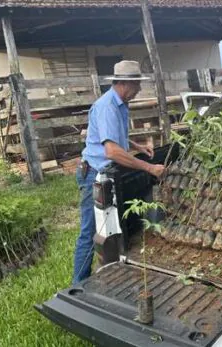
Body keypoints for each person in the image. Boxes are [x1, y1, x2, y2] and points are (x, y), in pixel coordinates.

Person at [73, 60, 166, 285]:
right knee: (91, 232)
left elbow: (116, 137)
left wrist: (138, 147)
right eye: (137, 85)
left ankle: (108, 269)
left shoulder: (120, 104)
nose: (139, 90)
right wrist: (150, 167)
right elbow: (112, 151)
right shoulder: (107, 106)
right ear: (125, 83)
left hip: (105, 170)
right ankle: (78, 286)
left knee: (109, 227)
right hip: (94, 173)